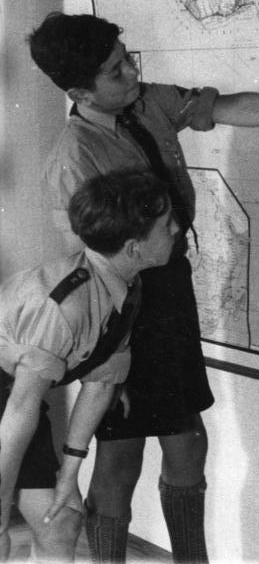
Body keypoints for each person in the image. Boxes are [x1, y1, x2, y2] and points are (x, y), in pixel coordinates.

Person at [27, 12, 259, 564]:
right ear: (80, 91)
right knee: (120, 456)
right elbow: (91, 269)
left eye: (128, 57)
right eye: (116, 71)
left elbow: (231, 106)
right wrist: (109, 359)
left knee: (187, 445)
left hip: (168, 289)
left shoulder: (145, 104)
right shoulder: (74, 158)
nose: (132, 72)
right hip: (119, 312)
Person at [0, 169, 178, 563]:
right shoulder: (66, 303)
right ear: (134, 247)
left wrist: (68, 476)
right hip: (11, 403)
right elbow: (18, 410)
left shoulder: (124, 286)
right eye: (167, 224)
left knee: (60, 520)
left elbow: (99, 385)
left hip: (14, 396)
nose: (178, 228)